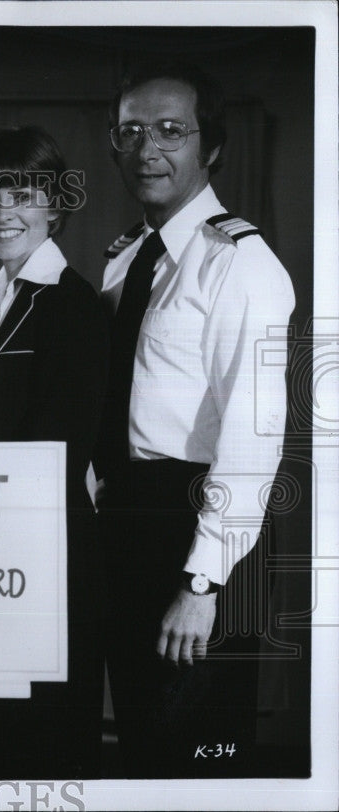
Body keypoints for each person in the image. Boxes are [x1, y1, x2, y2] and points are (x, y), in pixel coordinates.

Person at [96, 62, 294, 777]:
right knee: (147, 744)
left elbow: (253, 434)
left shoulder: (239, 264)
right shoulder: (125, 259)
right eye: (131, 132)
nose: (148, 148)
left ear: (210, 146)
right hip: (130, 518)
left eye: (171, 131)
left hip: (205, 530)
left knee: (203, 754)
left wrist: (202, 583)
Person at [0, 126, 108, 778]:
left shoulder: (73, 304)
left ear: (55, 206)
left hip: (45, 548)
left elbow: (60, 444)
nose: (4, 214)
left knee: (44, 738)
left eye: (22, 195)